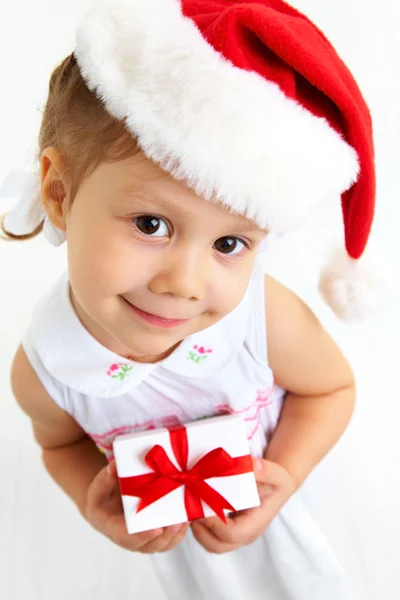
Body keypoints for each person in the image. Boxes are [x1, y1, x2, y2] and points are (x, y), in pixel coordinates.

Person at [0, 1, 379, 598]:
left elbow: (331, 388)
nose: (185, 283)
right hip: (188, 561)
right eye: (151, 225)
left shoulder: (261, 319)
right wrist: (91, 501)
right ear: (58, 191)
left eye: (230, 242)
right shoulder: (47, 368)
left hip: (298, 515)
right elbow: (60, 444)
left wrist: (288, 472)